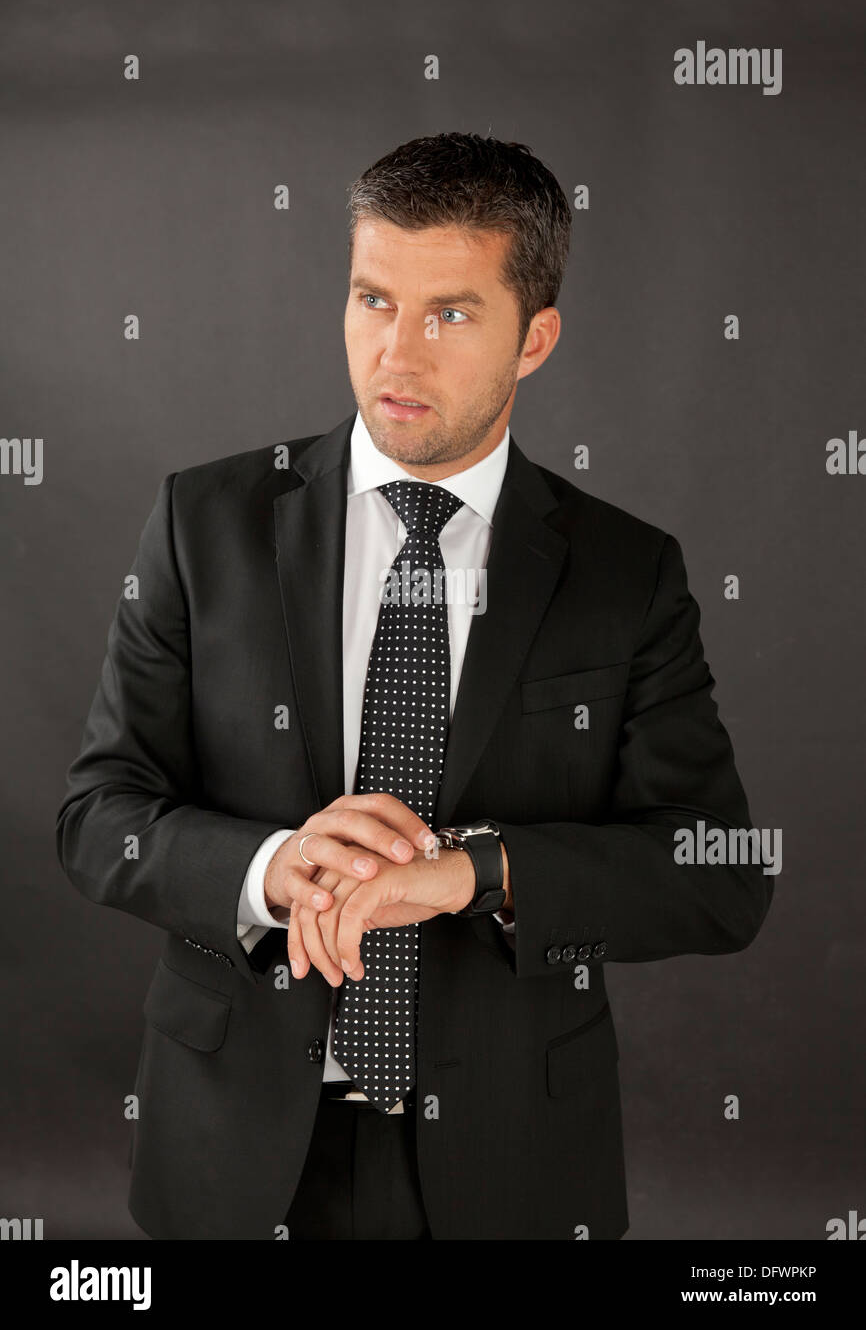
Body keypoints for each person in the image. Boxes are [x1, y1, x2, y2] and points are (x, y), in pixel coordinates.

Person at [56, 131, 773, 1241]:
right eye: (372, 299)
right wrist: (268, 865)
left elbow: (716, 874)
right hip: (232, 1149)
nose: (397, 353)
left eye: (448, 313)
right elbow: (98, 814)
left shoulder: (625, 573)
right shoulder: (206, 524)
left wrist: (471, 873)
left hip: (510, 1161)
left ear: (534, 338)